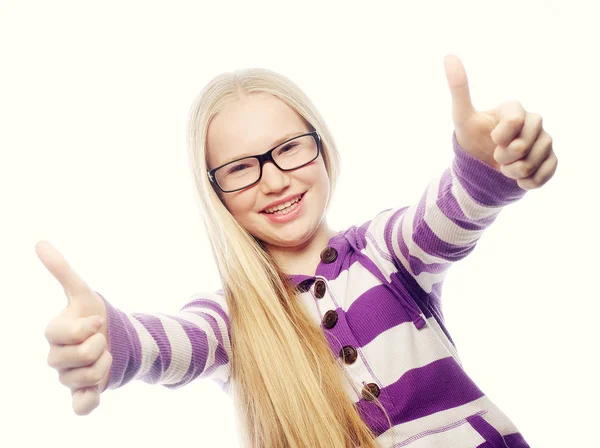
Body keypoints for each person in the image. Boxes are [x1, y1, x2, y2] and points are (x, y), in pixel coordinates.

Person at [37, 54, 557, 447]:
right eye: (240, 168)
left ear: (321, 145)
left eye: (288, 148)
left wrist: (486, 165)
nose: (274, 180)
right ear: (215, 192)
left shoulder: (386, 253)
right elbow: (174, 343)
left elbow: (450, 213)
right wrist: (112, 340)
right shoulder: (233, 319)